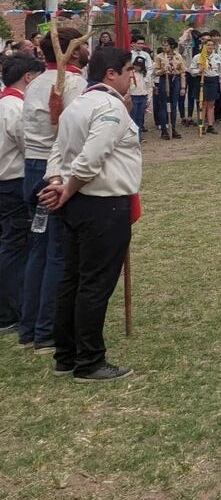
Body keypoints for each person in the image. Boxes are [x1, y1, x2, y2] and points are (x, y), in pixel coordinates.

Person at [39, 47, 141, 382]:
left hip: (79, 202)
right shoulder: (108, 106)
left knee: (73, 280)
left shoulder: (76, 105)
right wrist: (66, 187)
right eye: (128, 70)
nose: (132, 76)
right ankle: (89, 361)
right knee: (93, 284)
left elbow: (58, 149)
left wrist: (57, 180)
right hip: (101, 203)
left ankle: (66, 355)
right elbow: (91, 156)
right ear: (110, 73)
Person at [18, 29, 91, 354]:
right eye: (84, 44)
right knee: (57, 253)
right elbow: (73, 132)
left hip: (32, 167)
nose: (88, 49)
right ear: (73, 52)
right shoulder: (72, 84)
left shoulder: (33, 83)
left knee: (38, 249)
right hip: (54, 171)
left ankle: (30, 327)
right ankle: (46, 331)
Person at [0, 53, 43, 337]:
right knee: (15, 247)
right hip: (14, 182)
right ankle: (9, 311)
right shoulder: (16, 107)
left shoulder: (6, 103)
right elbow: (30, 149)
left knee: (11, 245)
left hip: (6, 182)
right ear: (28, 77)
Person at [153, 38, 186, 140]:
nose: (164, 47)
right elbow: (156, 71)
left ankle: (173, 128)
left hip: (175, 80)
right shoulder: (159, 56)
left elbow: (183, 70)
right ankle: (164, 130)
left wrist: (182, 85)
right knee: (163, 105)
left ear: (171, 46)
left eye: (166, 45)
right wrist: (163, 70)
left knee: (173, 105)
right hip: (164, 80)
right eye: (163, 45)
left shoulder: (178, 56)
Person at [200, 38, 221, 134]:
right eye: (208, 45)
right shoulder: (200, 57)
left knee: (211, 104)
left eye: (211, 45)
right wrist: (198, 70)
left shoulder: (218, 57)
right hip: (204, 80)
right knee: (203, 104)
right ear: (204, 46)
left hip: (214, 80)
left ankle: (210, 126)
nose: (210, 47)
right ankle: (201, 125)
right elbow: (191, 70)